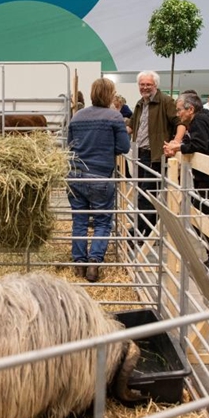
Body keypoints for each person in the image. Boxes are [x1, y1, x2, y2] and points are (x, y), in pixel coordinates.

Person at [67, 78, 131, 283]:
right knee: (103, 221)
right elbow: (124, 147)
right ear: (110, 94)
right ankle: (94, 261)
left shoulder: (77, 116)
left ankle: (79, 264)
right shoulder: (114, 116)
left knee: (79, 219)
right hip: (100, 175)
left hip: (75, 175)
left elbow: (70, 144)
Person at [163, 93, 209, 271]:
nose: (178, 114)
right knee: (203, 217)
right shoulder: (204, 118)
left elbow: (200, 144)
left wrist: (179, 147)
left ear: (190, 109)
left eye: (180, 110)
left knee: (206, 219)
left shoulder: (199, 121)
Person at [127, 70, 181, 238]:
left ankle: (138, 232)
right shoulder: (139, 103)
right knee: (145, 193)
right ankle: (148, 232)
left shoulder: (165, 101)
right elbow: (131, 126)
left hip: (156, 155)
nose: (145, 87)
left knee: (146, 193)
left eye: (148, 84)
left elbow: (180, 123)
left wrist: (175, 142)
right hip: (141, 154)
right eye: (142, 84)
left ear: (155, 85)